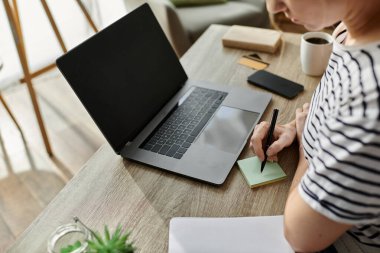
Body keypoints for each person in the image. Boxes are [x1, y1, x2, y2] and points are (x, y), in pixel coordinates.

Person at [250, 0, 380, 252]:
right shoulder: (347, 29)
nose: (273, 7)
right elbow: (338, 104)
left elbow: (300, 237)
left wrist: (307, 156)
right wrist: (299, 129)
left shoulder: (372, 100)